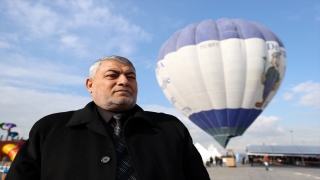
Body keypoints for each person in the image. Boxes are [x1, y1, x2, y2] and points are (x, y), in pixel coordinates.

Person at [6, 56, 210, 180]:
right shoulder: (49, 129)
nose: (124, 81)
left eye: (131, 77)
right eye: (112, 75)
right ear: (90, 84)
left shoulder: (170, 128)